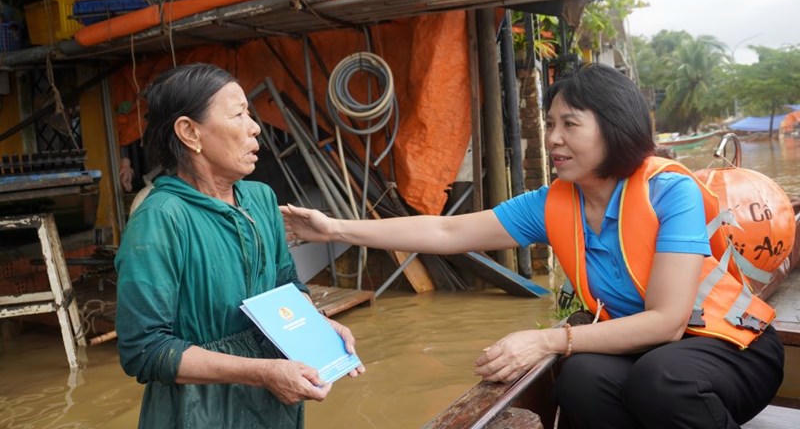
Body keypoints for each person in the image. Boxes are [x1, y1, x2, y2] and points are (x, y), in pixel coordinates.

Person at [281, 63, 784, 428]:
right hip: (653, 353)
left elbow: (668, 321)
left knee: (659, 378)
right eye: (549, 124)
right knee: (582, 379)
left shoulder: (667, 191)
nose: (552, 139)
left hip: (732, 350)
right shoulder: (553, 203)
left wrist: (546, 339)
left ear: (614, 128)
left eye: (569, 124)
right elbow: (446, 233)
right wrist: (333, 228)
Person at [115, 63, 364, 428]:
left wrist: (317, 323)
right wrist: (262, 372)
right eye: (238, 114)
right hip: (198, 410)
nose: (255, 127)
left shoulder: (260, 200)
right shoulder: (160, 219)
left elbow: (286, 285)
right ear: (189, 132)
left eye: (250, 113)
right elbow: (144, 349)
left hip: (271, 403)